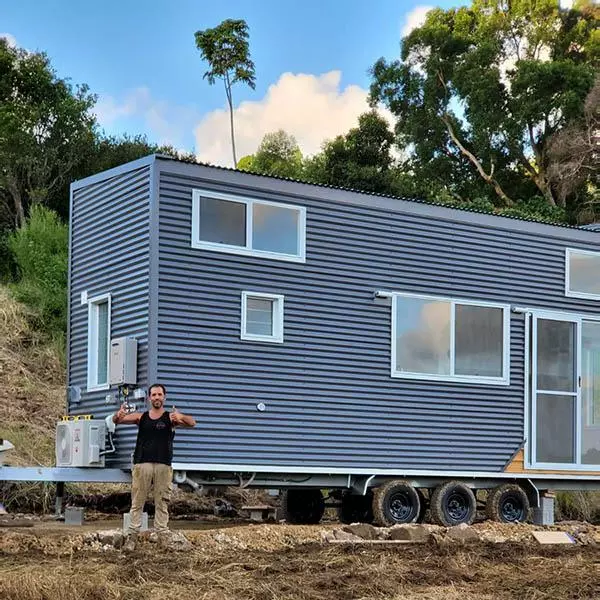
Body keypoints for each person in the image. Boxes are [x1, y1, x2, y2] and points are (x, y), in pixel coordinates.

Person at [113, 383, 196, 550]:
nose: (157, 397)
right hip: (142, 463)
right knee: (137, 500)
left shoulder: (170, 418)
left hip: (163, 465)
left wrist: (180, 416)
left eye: (159, 394)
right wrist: (118, 415)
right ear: (149, 398)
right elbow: (119, 420)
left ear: (164, 397)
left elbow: (192, 423)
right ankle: (132, 536)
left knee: (162, 501)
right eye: (154, 395)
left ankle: (163, 536)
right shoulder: (141, 417)